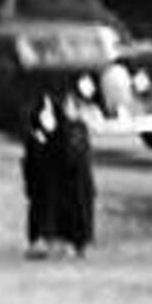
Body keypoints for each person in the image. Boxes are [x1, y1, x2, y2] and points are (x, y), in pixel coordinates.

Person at [24, 80, 100, 257]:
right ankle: (49, 241)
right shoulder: (53, 129)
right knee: (50, 210)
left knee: (76, 211)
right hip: (52, 181)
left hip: (75, 180)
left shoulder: (77, 128)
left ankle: (75, 243)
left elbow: (74, 155)